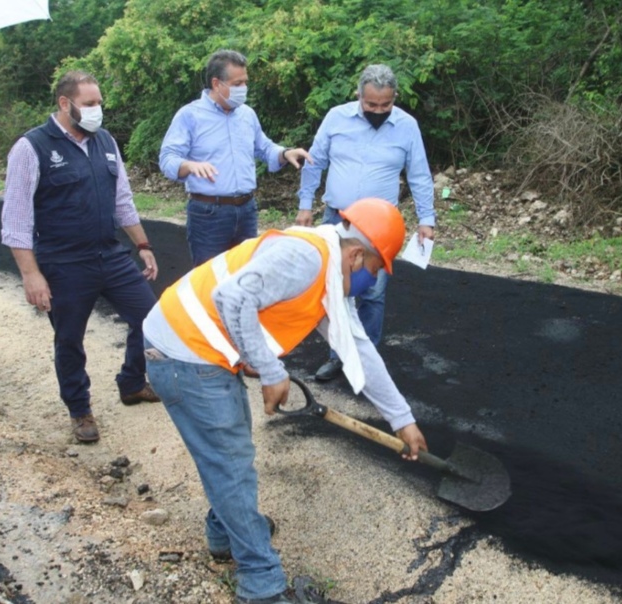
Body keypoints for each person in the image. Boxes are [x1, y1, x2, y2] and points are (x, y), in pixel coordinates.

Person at [142, 197, 428, 604]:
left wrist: (402, 418)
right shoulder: (305, 259)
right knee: (231, 464)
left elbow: (360, 349)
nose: (374, 282)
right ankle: (261, 586)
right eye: (377, 272)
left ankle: (225, 532)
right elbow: (231, 298)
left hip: (202, 352)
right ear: (358, 255)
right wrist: (272, 371)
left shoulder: (330, 272)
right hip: (183, 353)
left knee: (231, 457)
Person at [0, 70, 161, 444]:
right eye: (89, 104)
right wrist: (31, 275)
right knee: (70, 339)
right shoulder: (31, 147)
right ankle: (80, 409)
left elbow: (123, 201)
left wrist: (143, 245)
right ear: (64, 103)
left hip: (111, 255)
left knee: (151, 321)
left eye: (99, 103)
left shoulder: (105, 141)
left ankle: (132, 383)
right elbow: (16, 220)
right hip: (64, 263)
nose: (97, 111)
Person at [295, 64, 436, 382]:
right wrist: (305, 205)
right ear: (359, 95)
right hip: (338, 220)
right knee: (336, 289)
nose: (378, 110)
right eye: (371, 104)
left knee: (372, 293)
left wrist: (427, 219)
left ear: (394, 97)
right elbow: (314, 164)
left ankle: (366, 359)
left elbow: (419, 174)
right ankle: (337, 356)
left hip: (379, 228)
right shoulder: (336, 118)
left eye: (385, 105)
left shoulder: (406, 126)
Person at [159, 49, 312, 267]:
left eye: (245, 82)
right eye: (237, 83)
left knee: (246, 279)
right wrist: (189, 165)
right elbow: (167, 159)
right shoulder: (190, 115)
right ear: (216, 84)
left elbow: (264, 147)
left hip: (246, 210)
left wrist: (285, 153)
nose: (243, 89)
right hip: (209, 214)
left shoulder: (247, 114)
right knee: (209, 281)